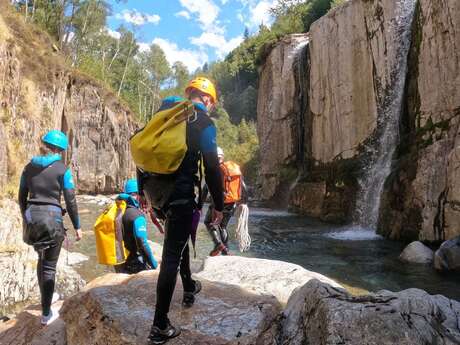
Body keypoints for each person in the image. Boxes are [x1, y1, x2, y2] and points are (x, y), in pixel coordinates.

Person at [138, 77, 224, 344]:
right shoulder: (203, 122)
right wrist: (219, 205)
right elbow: (211, 167)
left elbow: (142, 155)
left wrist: (145, 196)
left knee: (178, 239)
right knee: (171, 256)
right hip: (181, 196)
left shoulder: (165, 117)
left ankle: (188, 287)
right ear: (207, 99)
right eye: (211, 102)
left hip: (157, 193)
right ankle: (159, 325)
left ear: (189, 94)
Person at [18, 130, 82, 326]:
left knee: (41, 259)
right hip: (52, 220)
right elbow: (70, 200)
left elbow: (22, 196)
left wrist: (26, 216)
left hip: (33, 218)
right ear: (60, 150)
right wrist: (77, 226)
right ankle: (46, 314)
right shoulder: (63, 169)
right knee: (49, 267)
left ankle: (47, 297)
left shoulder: (28, 167)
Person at [201, 147, 248, 256]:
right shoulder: (232, 169)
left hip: (218, 204)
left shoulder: (213, 170)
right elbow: (244, 187)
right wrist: (245, 202)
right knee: (223, 226)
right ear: (222, 156)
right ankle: (225, 250)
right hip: (232, 203)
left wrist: (199, 206)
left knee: (208, 223)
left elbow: (205, 190)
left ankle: (218, 244)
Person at [113, 178, 158, 274]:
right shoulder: (137, 215)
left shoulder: (119, 212)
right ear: (137, 195)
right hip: (136, 265)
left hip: (123, 263)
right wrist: (154, 265)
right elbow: (142, 243)